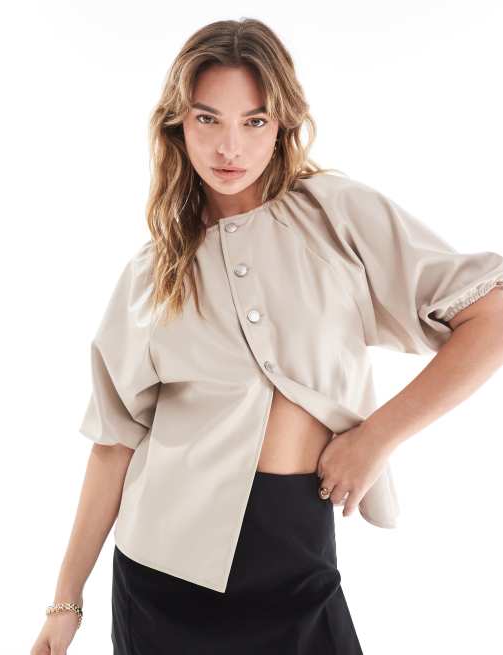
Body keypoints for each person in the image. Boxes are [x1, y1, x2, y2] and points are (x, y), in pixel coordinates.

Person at [31, 18, 503, 655]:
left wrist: (376, 437)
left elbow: (491, 316)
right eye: (207, 119)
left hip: (296, 555)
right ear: (177, 125)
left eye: (254, 121)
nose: (230, 147)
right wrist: (66, 603)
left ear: (281, 124)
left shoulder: (336, 214)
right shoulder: (151, 272)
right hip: (160, 576)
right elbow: (113, 447)